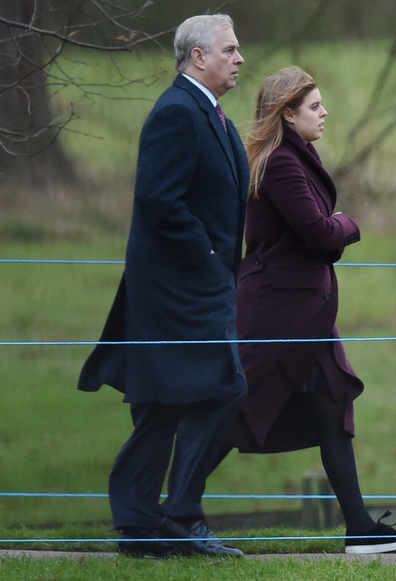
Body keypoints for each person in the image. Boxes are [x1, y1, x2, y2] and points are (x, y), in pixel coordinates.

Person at [210, 67, 396, 555]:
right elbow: (321, 235)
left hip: (308, 315)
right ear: (288, 114)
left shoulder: (296, 156)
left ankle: (359, 528)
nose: (325, 113)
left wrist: (333, 225)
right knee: (237, 412)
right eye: (314, 106)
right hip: (278, 314)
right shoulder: (282, 163)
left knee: (332, 408)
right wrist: (347, 222)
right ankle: (175, 511)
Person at [77, 14, 249, 558]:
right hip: (181, 285)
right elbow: (158, 198)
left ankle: (141, 527)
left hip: (197, 283)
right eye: (230, 49)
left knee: (161, 405)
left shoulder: (209, 111)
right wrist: (208, 254)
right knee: (224, 385)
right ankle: (177, 515)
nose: (239, 58)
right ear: (198, 56)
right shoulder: (177, 111)